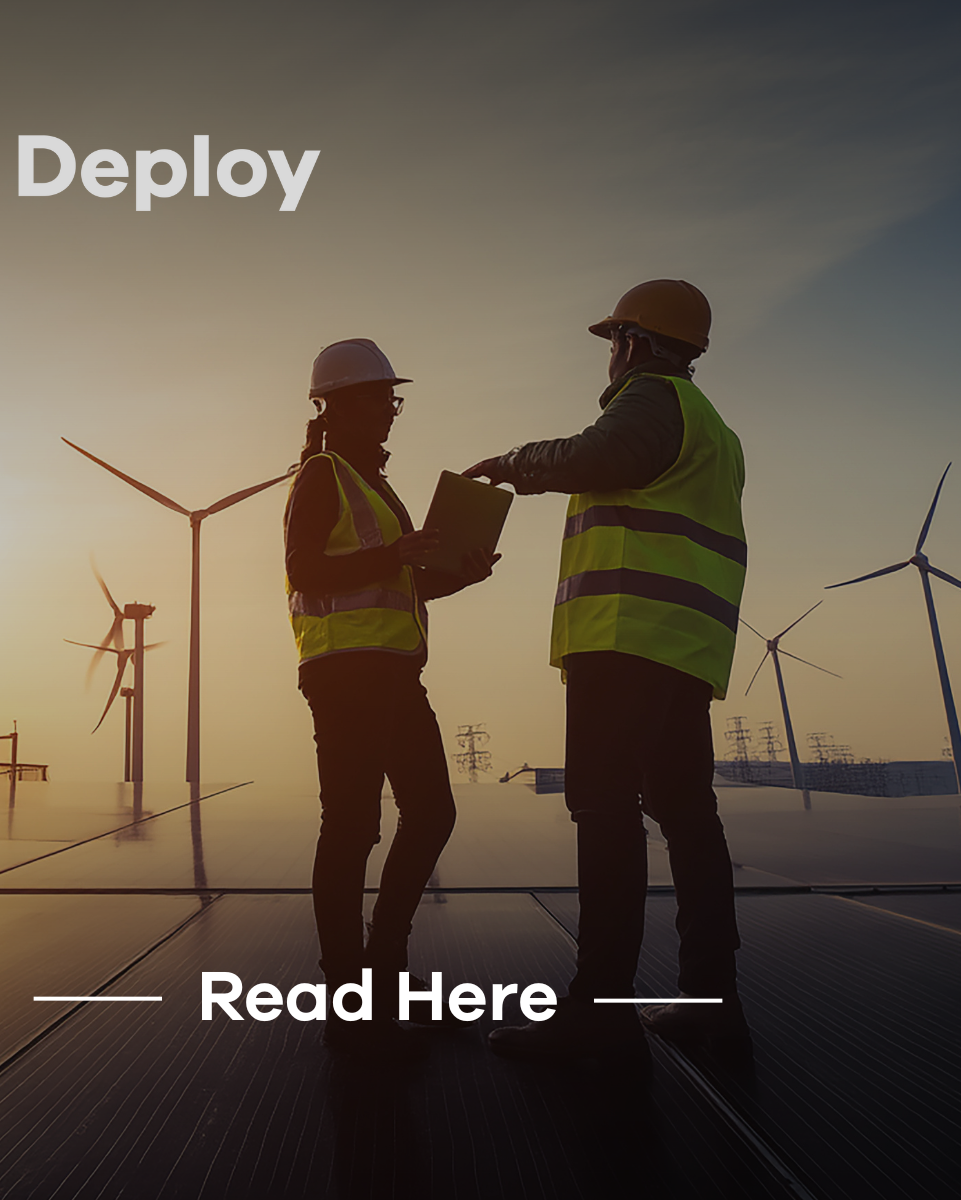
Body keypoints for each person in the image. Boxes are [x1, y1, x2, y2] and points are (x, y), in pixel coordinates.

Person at [464, 280, 749, 1070]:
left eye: (614, 338)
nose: (611, 354)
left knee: (605, 808)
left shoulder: (651, 401)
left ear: (637, 339)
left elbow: (598, 455)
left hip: (626, 640)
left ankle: (598, 1012)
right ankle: (711, 1003)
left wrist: (517, 464)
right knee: (687, 815)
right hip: (684, 647)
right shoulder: (715, 430)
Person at [285, 337, 497, 1058]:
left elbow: (395, 583)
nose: (390, 411)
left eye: (392, 399)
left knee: (424, 814)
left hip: (390, 670)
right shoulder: (320, 475)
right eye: (380, 398)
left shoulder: (373, 485)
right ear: (339, 404)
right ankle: (356, 998)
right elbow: (305, 571)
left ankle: (379, 981)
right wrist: (394, 556)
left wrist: (458, 576)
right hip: (346, 674)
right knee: (352, 829)